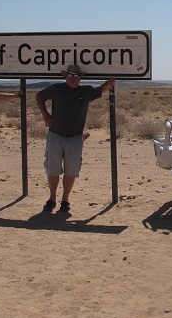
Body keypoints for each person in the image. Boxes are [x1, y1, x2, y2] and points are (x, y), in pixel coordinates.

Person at [35, 64, 115, 213]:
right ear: (66, 76)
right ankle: (52, 199)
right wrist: (45, 114)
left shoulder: (86, 91)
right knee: (52, 169)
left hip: (75, 138)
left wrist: (109, 82)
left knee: (71, 170)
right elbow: (39, 96)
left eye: (76, 76)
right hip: (55, 135)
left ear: (80, 78)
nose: (73, 78)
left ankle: (65, 200)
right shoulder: (57, 89)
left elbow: (102, 89)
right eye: (70, 75)